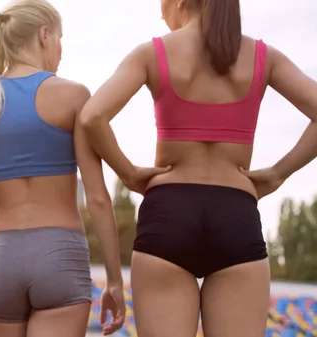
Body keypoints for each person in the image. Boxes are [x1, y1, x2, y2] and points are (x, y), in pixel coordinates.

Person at [79, 0, 317, 336]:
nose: (160, 11)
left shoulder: (151, 53)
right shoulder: (264, 57)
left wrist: (129, 173)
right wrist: (278, 173)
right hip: (236, 215)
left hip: (168, 214)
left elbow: (92, 116)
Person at [0, 0, 125, 336]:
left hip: (1, 257)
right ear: (43, 35)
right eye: (59, 38)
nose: (60, 50)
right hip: (60, 254)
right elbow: (98, 198)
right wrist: (114, 281)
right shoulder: (73, 95)